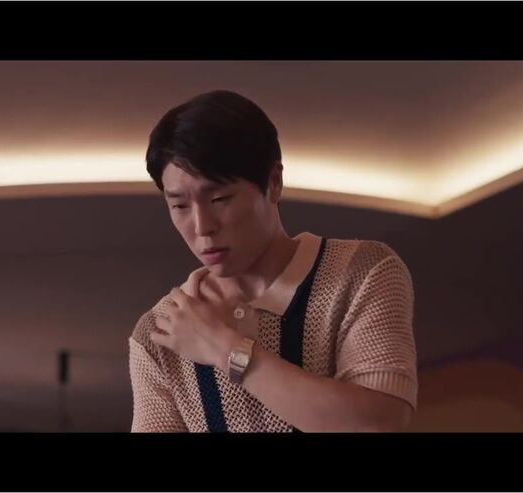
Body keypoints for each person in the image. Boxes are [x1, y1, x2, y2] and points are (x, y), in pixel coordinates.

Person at [128, 90, 417, 432]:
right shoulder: (159, 330)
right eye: (179, 206)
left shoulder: (362, 271)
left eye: (220, 198)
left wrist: (224, 348)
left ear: (274, 182)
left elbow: (380, 424)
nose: (202, 227)